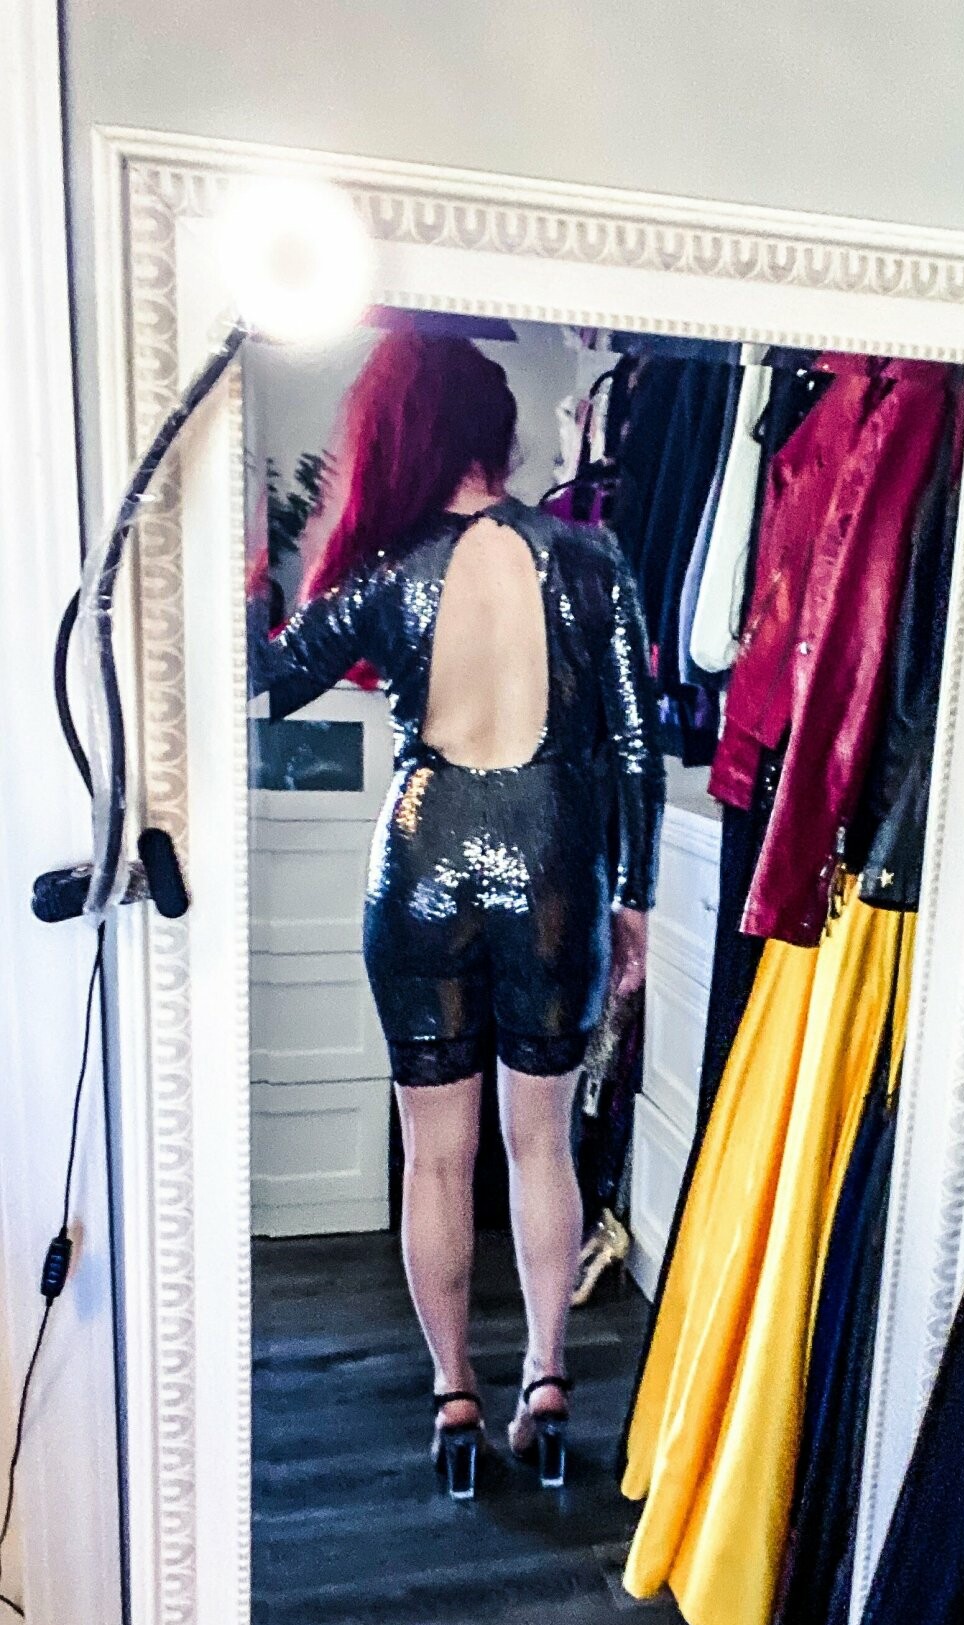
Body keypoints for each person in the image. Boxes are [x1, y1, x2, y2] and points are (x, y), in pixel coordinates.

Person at [250, 327, 665, 1496]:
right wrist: (633, 899)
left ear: (403, 433)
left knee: (436, 1159)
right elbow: (636, 748)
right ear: (501, 433)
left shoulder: (385, 572)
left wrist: (239, 577)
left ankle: (454, 1402)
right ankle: (546, 1381)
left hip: (422, 866)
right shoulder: (590, 558)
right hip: (555, 869)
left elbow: (268, 680)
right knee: (543, 1143)